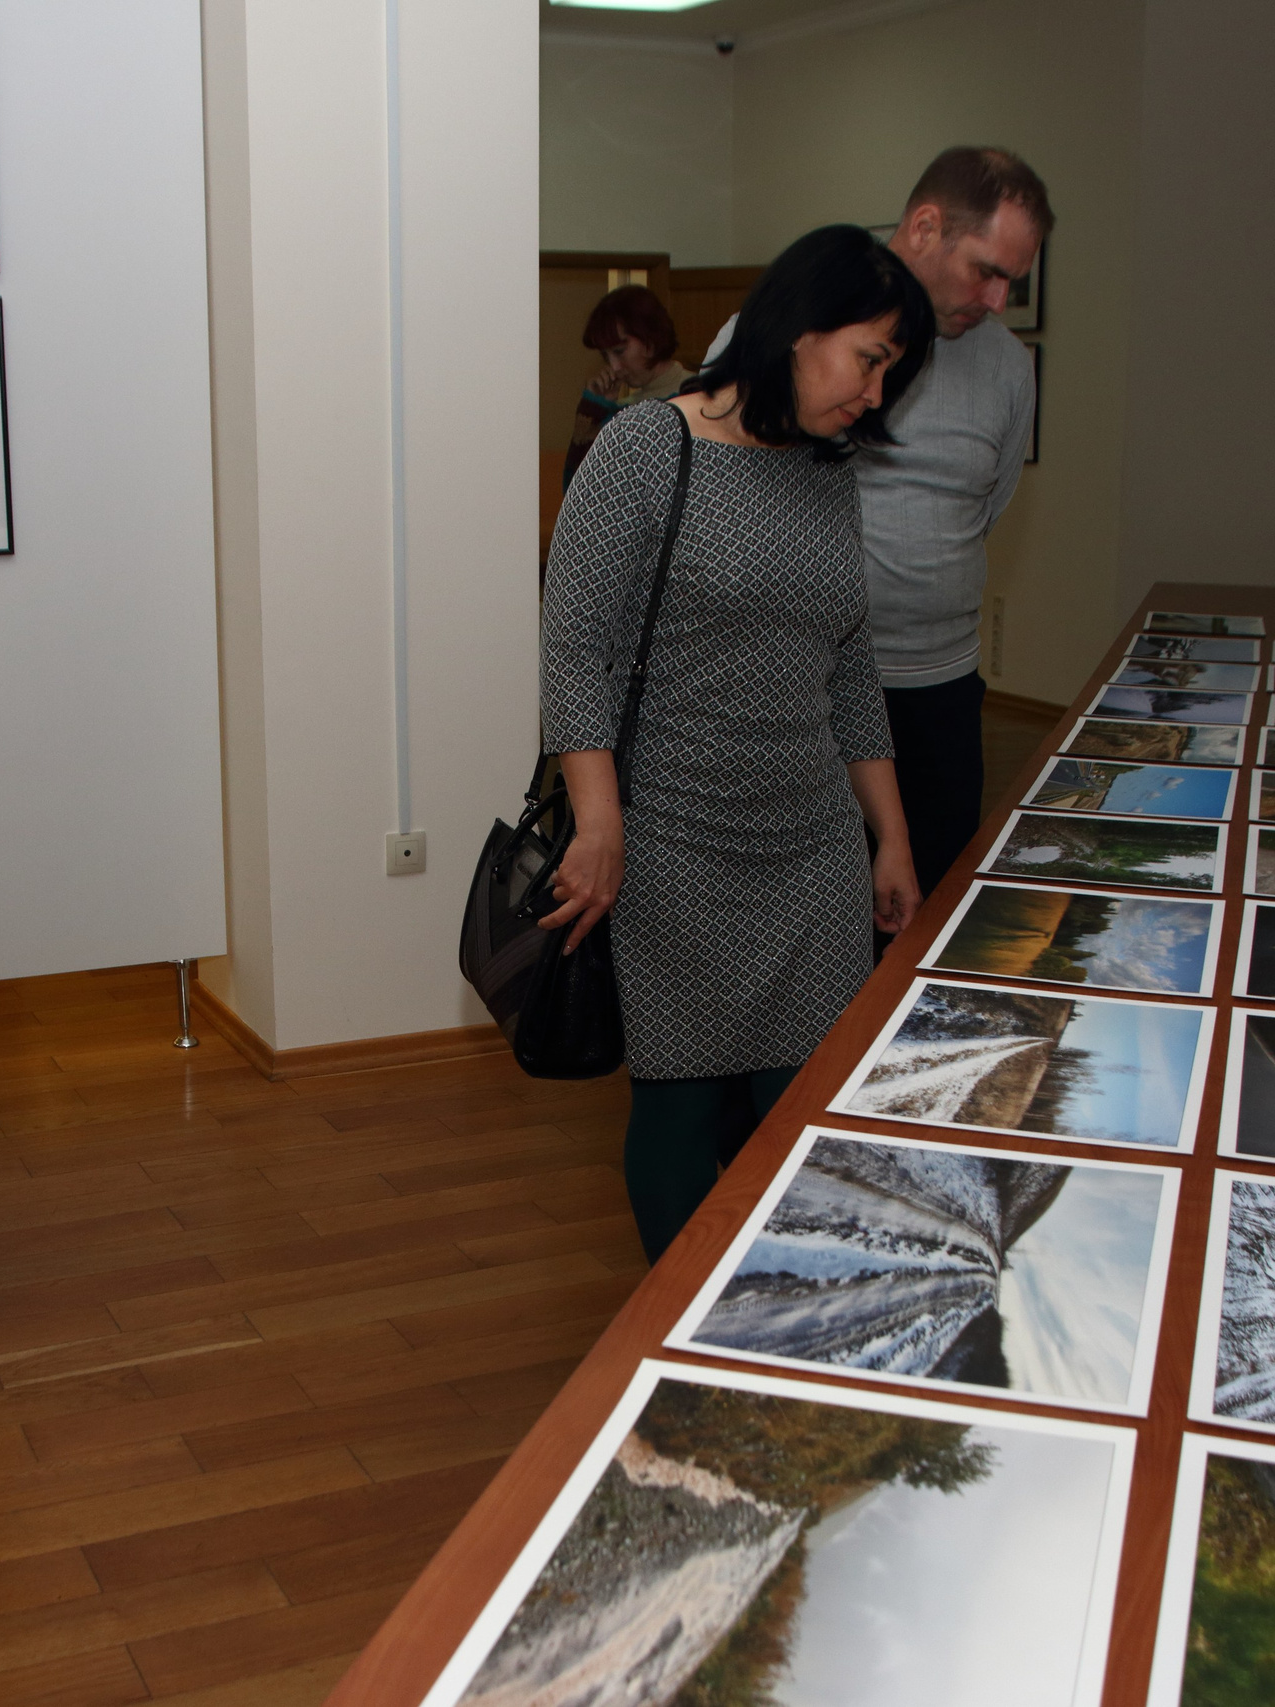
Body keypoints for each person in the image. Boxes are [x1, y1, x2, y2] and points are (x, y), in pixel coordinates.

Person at [539, 225, 933, 1262]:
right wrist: (599, 822)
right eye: (872, 360)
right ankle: (680, 1331)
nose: (874, 395)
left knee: (800, 1115)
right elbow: (574, 643)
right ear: (799, 330)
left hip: (810, 857)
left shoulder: (825, 471)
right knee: (680, 1113)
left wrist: (886, 838)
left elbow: (847, 666)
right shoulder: (645, 448)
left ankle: (775, 1316)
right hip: (671, 848)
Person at [706, 147, 1053, 892]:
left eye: (1013, 283)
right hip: (800, 690)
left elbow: (986, 507)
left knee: (925, 902)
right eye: (987, 270)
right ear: (925, 226)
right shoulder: (782, 331)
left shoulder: (1005, 367)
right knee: (804, 905)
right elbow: (722, 497)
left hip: (940, 693)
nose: (997, 300)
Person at [560, 284, 691, 490]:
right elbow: (577, 492)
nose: (614, 367)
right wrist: (595, 409)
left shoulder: (696, 395)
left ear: (649, 339)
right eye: (606, 356)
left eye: (619, 351)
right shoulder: (619, 410)